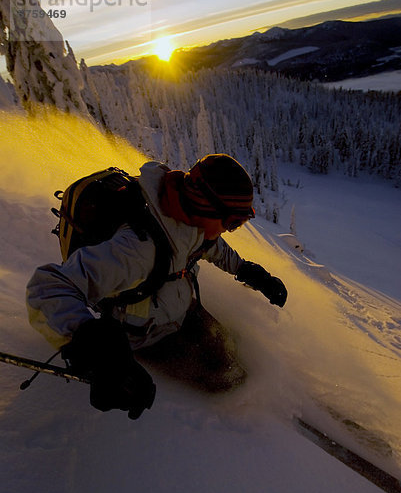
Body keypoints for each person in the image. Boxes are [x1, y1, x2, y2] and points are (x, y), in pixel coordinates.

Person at [26, 154, 287, 419]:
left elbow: (209, 245)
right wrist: (93, 343)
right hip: (150, 336)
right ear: (206, 207)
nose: (230, 231)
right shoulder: (138, 249)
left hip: (183, 312)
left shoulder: (186, 213)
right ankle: (260, 424)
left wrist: (247, 271)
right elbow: (48, 286)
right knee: (229, 379)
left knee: (236, 346)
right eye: (232, 223)